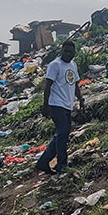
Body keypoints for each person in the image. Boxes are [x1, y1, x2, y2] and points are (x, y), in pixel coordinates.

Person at [35, 40, 84, 174]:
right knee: (62, 134)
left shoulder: (73, 65)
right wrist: (46, 106)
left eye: (70, 52)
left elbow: (74, 84)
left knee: (61, 135)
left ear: (74, 53)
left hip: (67, 105)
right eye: (66, 51)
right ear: (61, 51)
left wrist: (80, 99)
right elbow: (47, 86)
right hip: (56, 104)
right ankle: (62, 165)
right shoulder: (55, 65)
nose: (68, 54)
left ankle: (43, 162)